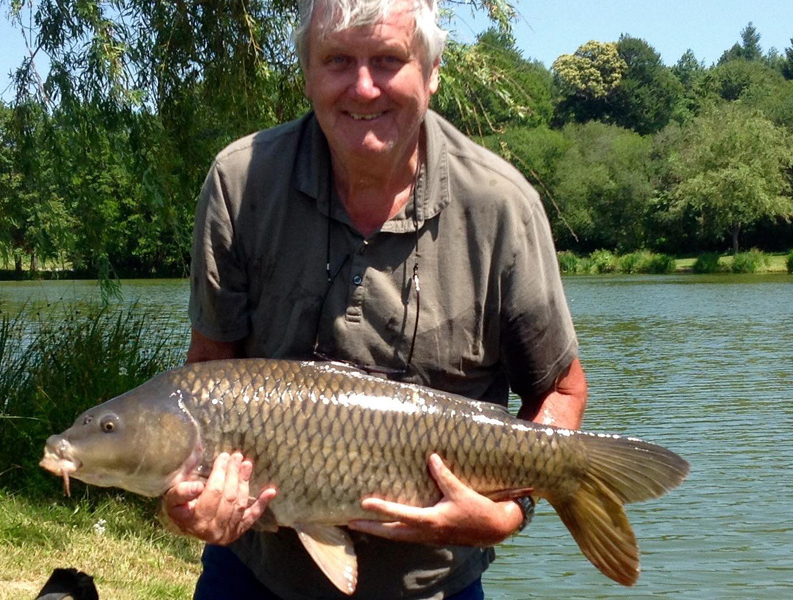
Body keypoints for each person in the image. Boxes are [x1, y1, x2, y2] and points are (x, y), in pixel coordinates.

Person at [162, 0, 588, 597]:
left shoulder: (501, 207)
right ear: (306, 72)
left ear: (432, 72)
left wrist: (507, 514)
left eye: (389, 60)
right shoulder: (241, 181)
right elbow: (208, 372)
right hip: (257, 574)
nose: (363, 88)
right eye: (337, 60)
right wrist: (185, 499)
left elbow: (561, 389)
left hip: (434, 585)